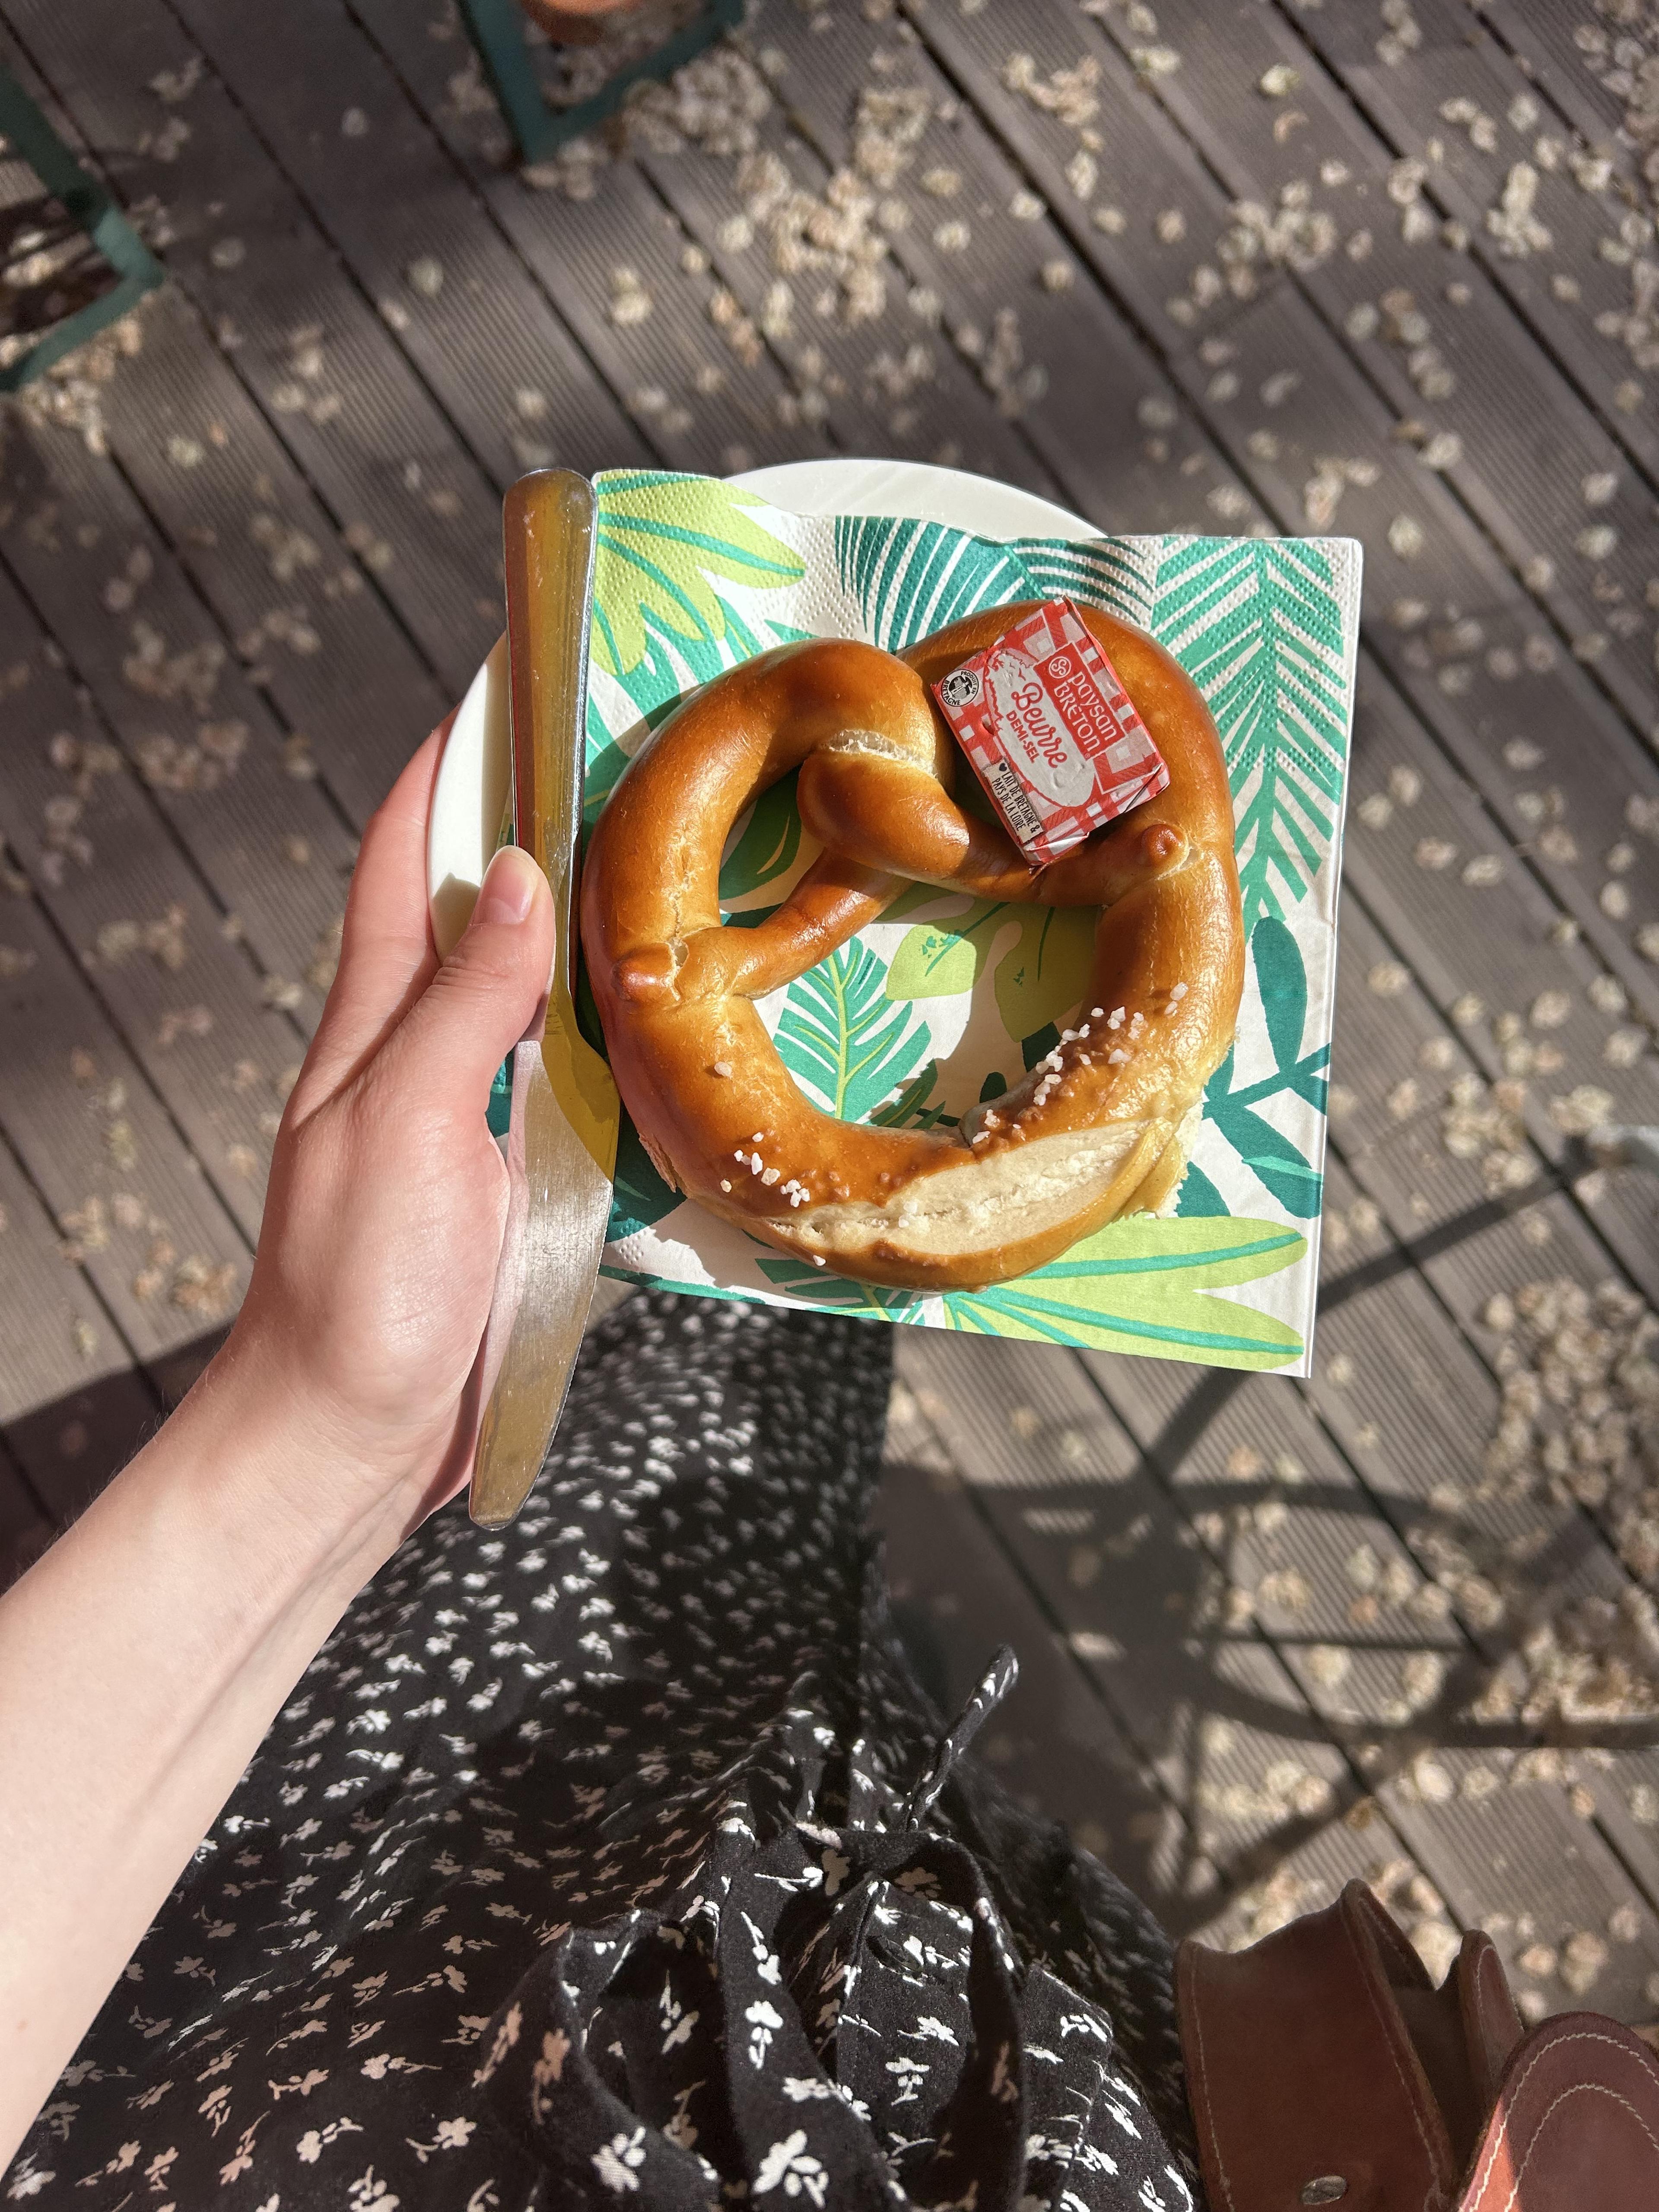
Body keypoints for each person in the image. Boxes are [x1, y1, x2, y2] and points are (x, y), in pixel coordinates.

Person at [0, 728, 1198, 2209]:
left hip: (331, 1918)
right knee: (756, 1434)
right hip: (862, 1924)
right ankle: (864, 1674)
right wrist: (329, 1432)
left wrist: (324, 1425)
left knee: (719, 1442)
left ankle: (851, 1660)